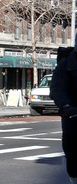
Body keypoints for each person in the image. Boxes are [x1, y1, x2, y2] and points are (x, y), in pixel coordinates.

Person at [50, 47, 77, 184]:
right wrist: (66, 106)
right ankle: (74, 175)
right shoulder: (66, 65)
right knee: (71, 146)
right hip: (73, 113)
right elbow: (57, 89)